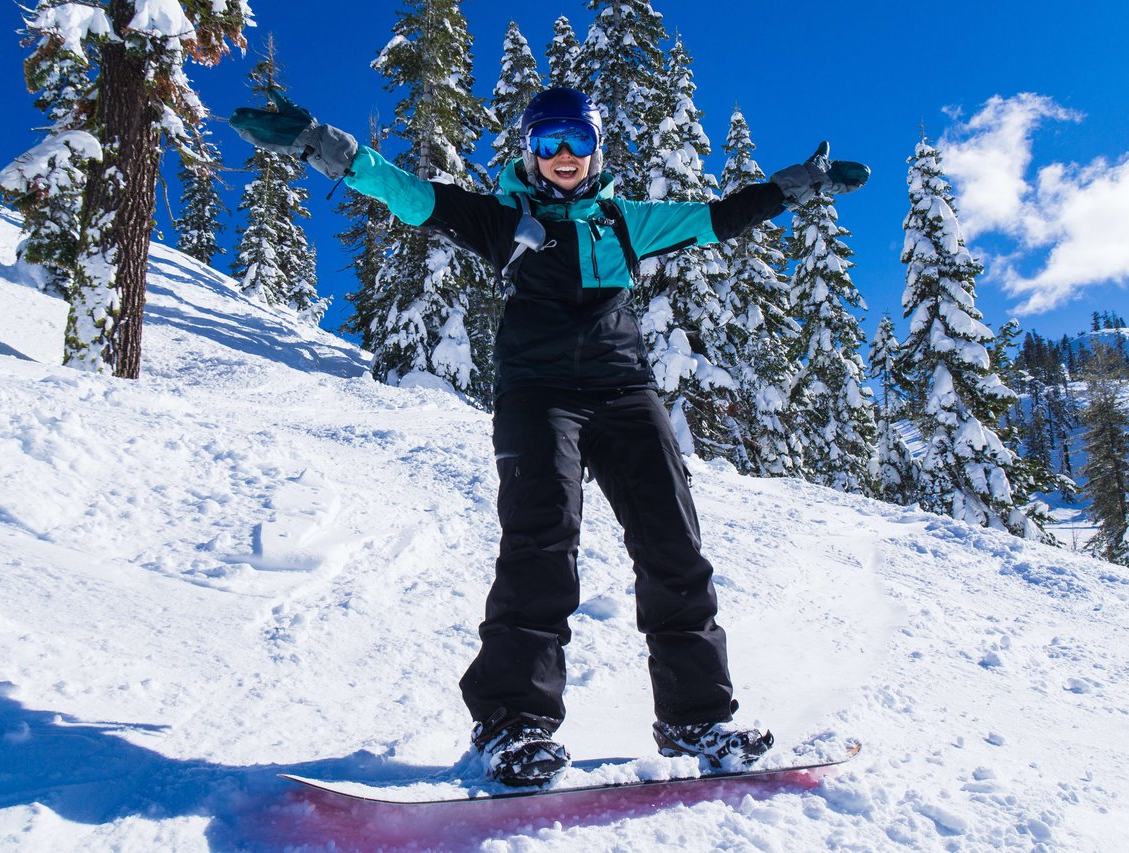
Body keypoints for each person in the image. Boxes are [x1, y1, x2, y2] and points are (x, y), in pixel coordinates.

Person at [231, 86, 869, 787]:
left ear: (596, 148)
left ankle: (696, 715)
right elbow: (408, 193)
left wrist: (797, 185)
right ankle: (514, 725)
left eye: (575, 139)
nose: (563, 154)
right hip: (537, 397)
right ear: (529, 151)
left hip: (625, 391)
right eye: (547, 141)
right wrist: (320, 142)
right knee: (542, 542)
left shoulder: (627, 223)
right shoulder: (505, 220)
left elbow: (722, 217)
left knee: (674, 546)